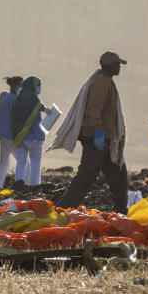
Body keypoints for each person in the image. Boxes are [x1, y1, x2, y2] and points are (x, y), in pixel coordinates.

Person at [52, 52, 128, 212]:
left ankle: (122, 211)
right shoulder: (102, 82)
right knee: (86, 177)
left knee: (119, 175)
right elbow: (94, 110)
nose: (120, 67)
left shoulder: (104, 80)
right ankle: (62, 210)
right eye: (117, 64)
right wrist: (98, 132)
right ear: (110, 65)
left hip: (104, 138)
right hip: (96, 138)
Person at [10, 76, 47, 187]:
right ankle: (34, 185)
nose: (39, 88)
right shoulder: (33, 97)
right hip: (33, 136)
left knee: (21, 161)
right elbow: (39, 108)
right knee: (35, 162)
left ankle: (19, 184)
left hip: (19, 136)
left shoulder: (17, 98)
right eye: (38, 85)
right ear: (33, 86)